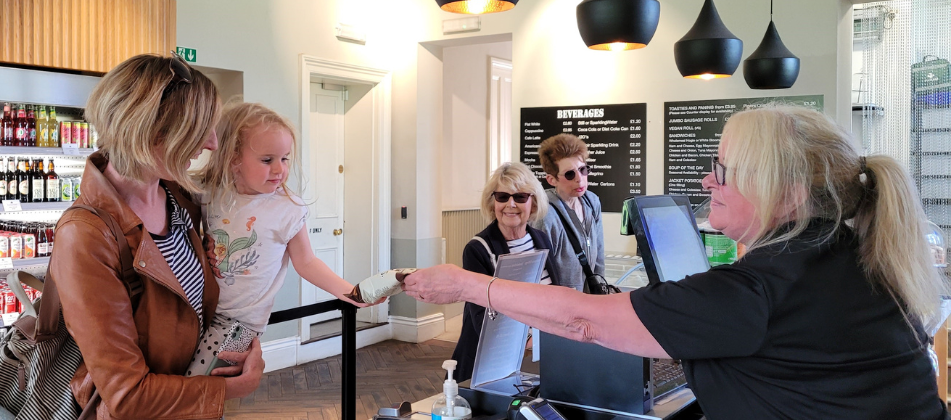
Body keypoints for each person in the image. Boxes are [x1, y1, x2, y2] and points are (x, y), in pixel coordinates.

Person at [402, 106, 951, 419]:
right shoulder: (852, 259)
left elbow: (583, 319)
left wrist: (462, 283)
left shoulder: (760, 291)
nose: (709, 180)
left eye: (724, 171)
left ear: (785, 195)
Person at [48, 54, 263, 420]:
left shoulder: (180, 200)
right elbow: (127, 396)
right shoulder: (85, 237)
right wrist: (229, 389)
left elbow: (193, 311)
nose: (212, 143)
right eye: (200, 130)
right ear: (154, 131)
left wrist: (239, 346)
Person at [192, 101, 376, 374]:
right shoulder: (208, 193)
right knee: (182, 386)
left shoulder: (288, 207)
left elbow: (307, 262)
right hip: (198, 307)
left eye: (285, 158)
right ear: (233, 158)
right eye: (267, 160)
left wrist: (351, 292)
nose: (279, 169)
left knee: (203, 383)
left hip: (242, 321)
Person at [449, 162, 566, 383]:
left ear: (532, 203)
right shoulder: (478, 249)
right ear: (493, 203)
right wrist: (532, 339)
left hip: (541, 358)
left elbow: (555, 297)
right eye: (502, 197)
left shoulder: (541, 240)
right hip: (490, 365)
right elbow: (483, 320)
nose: (510, 204)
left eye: (520, 197)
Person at [532, 133, 604, 288]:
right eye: (570, 174)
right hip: (562, 305)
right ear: (552, 179)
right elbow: (541, 274)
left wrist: (601, 297)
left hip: (590, 299)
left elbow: (599, 255)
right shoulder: (545, 215)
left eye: (583, 169)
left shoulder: (592, 202)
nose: (579, 178)